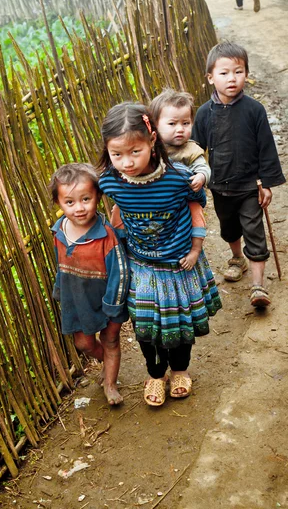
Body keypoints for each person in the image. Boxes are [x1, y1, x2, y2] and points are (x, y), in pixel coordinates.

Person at [98, 102, 221, 407]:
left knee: (180, 325)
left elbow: (196, 212)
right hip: (142, 267)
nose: (126, 162)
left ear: (152, 141)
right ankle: (155, 374)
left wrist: (195, 248)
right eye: (117, 154)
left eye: (134, 152)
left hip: (179, 265)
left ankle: (179, 370)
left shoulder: (179, 179)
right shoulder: (110, 181)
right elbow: (112, 212)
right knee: (146, 328)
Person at [192, 41, 285, 307]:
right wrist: (196, 177)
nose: (232, 78)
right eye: (224, 73)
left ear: (246, 73)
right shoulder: (203, 113)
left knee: (254, 231)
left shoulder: (254, 110)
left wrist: (267, 183)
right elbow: (195, 151)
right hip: (220, 185)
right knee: (229, 228)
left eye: (238, 71)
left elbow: (266, 147)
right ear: (211, 77)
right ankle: (236, 258)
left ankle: (258, 286)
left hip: (250, 185)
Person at [49, 163, 130, 406]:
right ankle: (107, 362)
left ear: (97, 196)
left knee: (110, 340)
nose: (80, 208)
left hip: (108, 299)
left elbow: (121, 273)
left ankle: (111, 384)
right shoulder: (60, 231)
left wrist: (113, 305)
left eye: (86, 199)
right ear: (59, 204)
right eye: (70, 202)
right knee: (83, 343)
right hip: (77, 299)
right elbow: (60, 264)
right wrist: (60, 290)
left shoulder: (106, 235)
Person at [149, 88, 211, 270]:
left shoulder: (191, 149)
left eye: (185, 123)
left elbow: (203, 167)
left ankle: (195, 250)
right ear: (155, 125)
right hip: (155, 200)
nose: (180, 129)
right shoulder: (151, 149)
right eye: (172, 124)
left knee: (196, 214)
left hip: (184, 200)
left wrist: (200, 176)